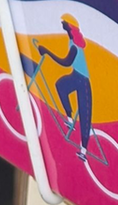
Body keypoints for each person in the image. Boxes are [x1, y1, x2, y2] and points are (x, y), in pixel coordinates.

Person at [37, 13, 93, 160]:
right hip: (75, 76)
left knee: (85, 115)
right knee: (60, 85)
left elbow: (66, 62)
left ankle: (84, 151)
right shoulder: (71, 42)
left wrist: (48, 52)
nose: (62, 24)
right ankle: (69, 119)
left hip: (83, 81)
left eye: (64, 23)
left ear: (70, 27)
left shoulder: (75, 47)